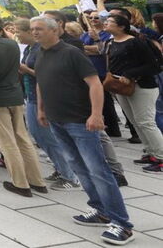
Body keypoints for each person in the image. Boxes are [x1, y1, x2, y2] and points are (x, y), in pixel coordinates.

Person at [31, 15, 135, 245]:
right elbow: (41, 82)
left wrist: (96, 114)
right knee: (79, 167)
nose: (34, 32)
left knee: (98, 170)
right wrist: (41, 109)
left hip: (79, 121)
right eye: (32, 29)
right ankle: (100, 210)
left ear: (54, 30)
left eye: (39, 28)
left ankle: (121, 224)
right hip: (57, 120)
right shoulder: (39, 53)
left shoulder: (71, 53)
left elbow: (94, 83)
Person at [0, 17, 47, 197]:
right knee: (23, 139)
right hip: (15, 96)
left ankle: (21, 183)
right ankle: (37, 181)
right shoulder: (12, 44)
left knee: (7, 143)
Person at [16, 18, 79, 190]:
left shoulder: (41, 49)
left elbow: (44, 74)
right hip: (31, 95)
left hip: (41, 97)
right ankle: (61, 169)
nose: (16, 35)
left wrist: (24, 69)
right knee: (40, 136)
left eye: (19, 32)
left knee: (47, 137)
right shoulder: (30, 48)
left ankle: (69, 176)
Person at [105, 13, 163, 172]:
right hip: (121, 87)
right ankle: (151, 152)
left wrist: (130, 74)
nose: (105, 24)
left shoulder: (136, 42)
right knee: (135, 121)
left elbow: (154, 66)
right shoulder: (111, 42)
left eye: (109, 22)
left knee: (146, 122)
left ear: (122, 26)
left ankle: (161, 156)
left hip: (142, 86)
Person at [82, 11, 122, 137]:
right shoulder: (85, 34)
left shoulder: (107, 34)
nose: (93, 19)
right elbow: (79, 48)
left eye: (96, 17)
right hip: (90, 70)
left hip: (103, 70)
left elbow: (103, 50)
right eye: (90, 17)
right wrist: (91, 48)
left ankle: (113, 128)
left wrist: (92, 45)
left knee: (107, 101)